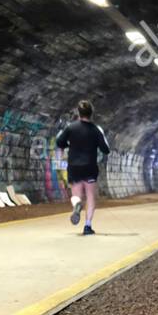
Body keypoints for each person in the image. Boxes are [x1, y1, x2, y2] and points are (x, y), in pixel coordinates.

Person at [55, 100, 110, 235]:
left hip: (74, 166)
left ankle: (77, 206)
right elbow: (106, 149)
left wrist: (70, 144)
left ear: (78, 113)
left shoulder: (71, 128)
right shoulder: (96, 130)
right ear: (91, 114)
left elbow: (59, 142)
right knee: (91, 196)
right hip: (90, 167)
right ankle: (87, 226)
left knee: (76, 195)